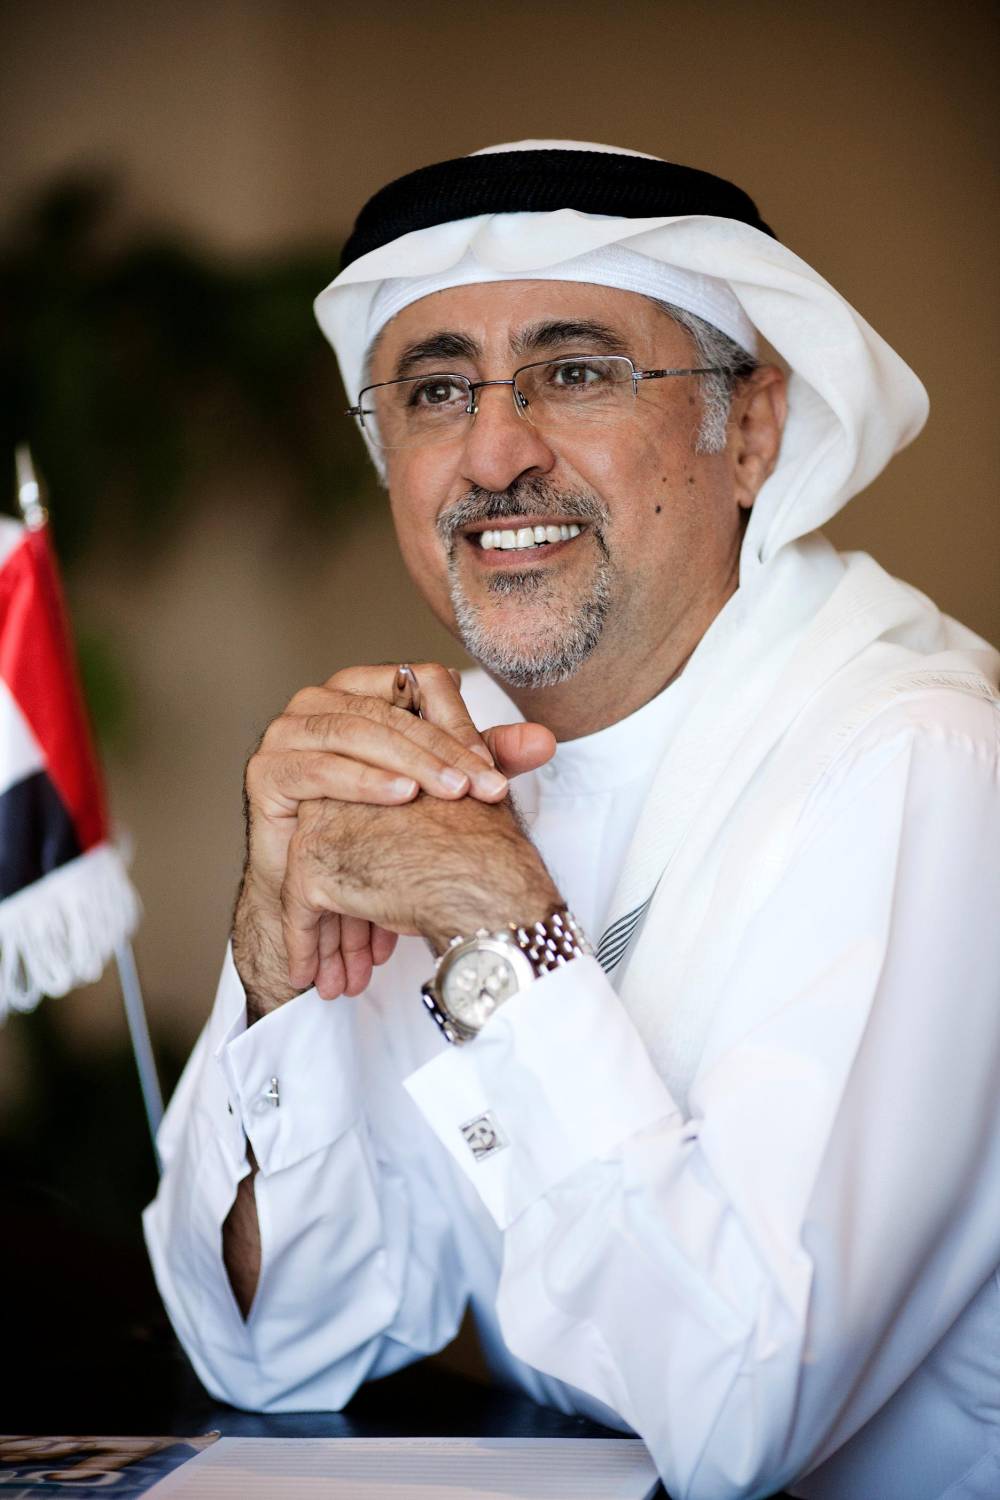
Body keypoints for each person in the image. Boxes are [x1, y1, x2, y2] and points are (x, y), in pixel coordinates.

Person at [143, 141, 1000, 1499]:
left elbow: (740, 1419)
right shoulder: (439, 770)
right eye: (437, 391)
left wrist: (504, 927)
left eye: (580, 371)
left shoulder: (920, 762)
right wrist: (273, 984)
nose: (495, 453)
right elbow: (275, 1349)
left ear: (750, 431)